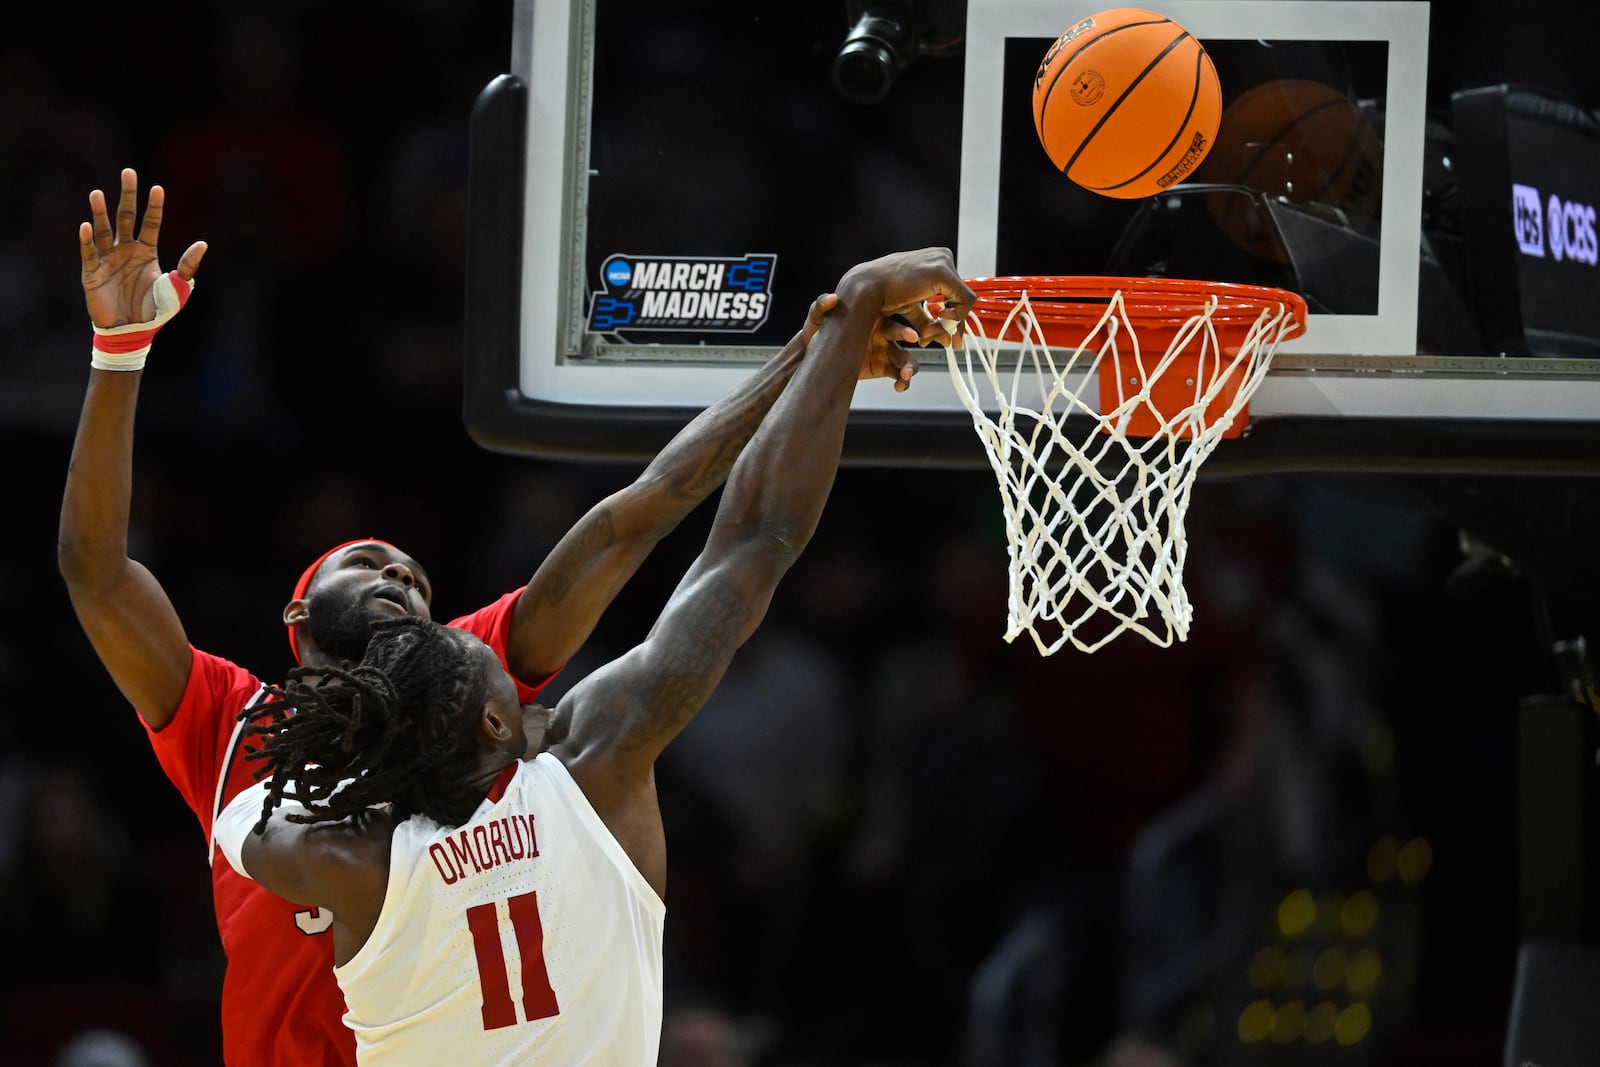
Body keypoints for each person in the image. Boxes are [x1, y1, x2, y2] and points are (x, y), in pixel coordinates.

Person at [56, 168, 926, 1065]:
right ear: (297, 614)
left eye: (417, 579)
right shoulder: (235, 719)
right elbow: (96, 573)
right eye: (369, 563)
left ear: (496, 717)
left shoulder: (454, 673)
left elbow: (639, 510)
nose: (402, 574)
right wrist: (118, 354)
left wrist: (813, 358)